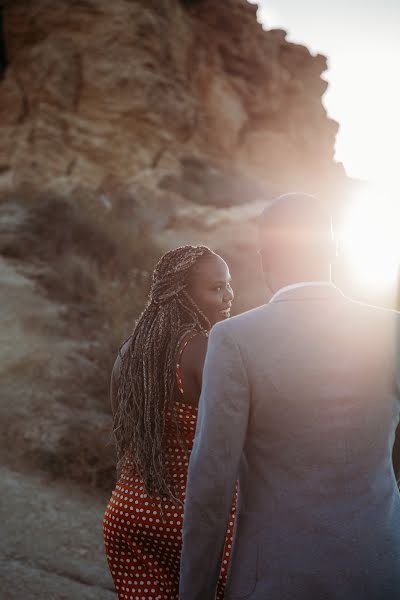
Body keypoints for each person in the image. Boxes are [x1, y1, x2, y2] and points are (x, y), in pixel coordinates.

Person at [180, 193, 400, 600]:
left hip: (276, 580)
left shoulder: (233, 339)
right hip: (382, 570)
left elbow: (211, 484)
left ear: (265, 258)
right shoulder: (392, 329)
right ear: (335, 250)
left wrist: (194, 593)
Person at [103, 245, 235, 600]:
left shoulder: (129, 354)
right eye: (217, 287)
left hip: (130, 512)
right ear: (183, 294)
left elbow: (125, 439)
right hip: (192, 522)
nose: (228, 296)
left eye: (228, 285)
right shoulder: (207, 351)